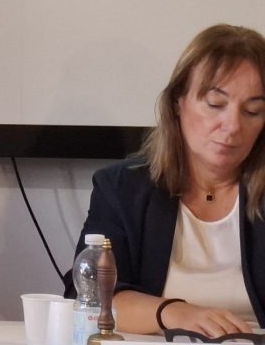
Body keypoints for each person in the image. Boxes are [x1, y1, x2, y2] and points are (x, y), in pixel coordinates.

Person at [69, 24, 265, 337]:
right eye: (215, 104)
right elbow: (90, 298)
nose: (232, 126)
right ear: (177, 102)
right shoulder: (122, 189)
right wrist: (175, 313)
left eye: (253, 111)